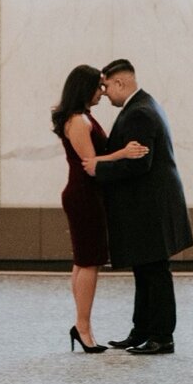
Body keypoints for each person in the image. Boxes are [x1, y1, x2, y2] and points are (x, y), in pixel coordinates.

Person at [83, 59, 193, 355]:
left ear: (121, 83)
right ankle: (142, 331)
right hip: (152, 206)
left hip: (151, 208)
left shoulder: (139, 113)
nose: (104, 93)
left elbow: (140, 164)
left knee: (155, 273)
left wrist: (98, 170)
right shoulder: (144, 105)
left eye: (106, 86)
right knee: (145, 271)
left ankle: (162, 337)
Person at [52, 64, 149, 354]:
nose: (102, 92)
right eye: (98, 87)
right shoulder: (79, 121)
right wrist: (125, 152)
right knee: (89, 261)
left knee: (83, 261)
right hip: (84, 196)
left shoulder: (81, 117)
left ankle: (83, 326)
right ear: (85, 88)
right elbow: (91, 164)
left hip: (86, 195)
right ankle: (82, 327)